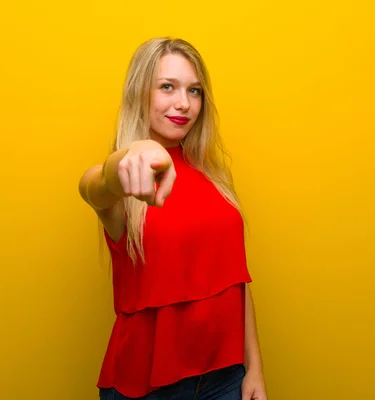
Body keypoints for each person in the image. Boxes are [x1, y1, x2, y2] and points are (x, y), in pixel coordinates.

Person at [78, 37, 267, 400]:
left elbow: (235, 280)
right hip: (148, 388)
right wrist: (134, 152)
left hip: (225, 379)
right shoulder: (126, 180)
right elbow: (93, 186)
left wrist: (254, 368)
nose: (184, 104)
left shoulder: (213, 176)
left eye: (194, 91)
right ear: (140, 94)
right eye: (167, 87)